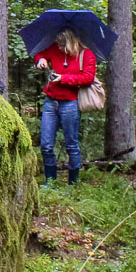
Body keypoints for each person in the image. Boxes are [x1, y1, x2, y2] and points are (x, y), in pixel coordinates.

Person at [34, 28, 97, 186]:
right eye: (58, 43)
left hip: (70, 103)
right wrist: (40, 60)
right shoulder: (55, 49)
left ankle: (72, 184)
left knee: (71, 145)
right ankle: (50, 182)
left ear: (72, 42)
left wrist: (63, 78)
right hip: (51, 102)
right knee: (46, 145)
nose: (59, 47)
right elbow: (39, 54)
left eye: (63, 44)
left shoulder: (86, 55)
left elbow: (88, 78)